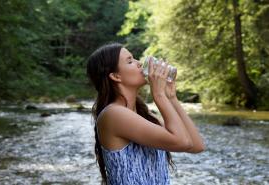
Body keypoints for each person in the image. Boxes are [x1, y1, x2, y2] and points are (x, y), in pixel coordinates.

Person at [86, 42, 205, 185]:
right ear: (116, 76)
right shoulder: (114, 114)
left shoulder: (142, 116)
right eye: (130, 61)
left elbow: (196, 145)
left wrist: (171, 98)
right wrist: (159, 95)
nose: (139, 63)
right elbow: (182, 142)